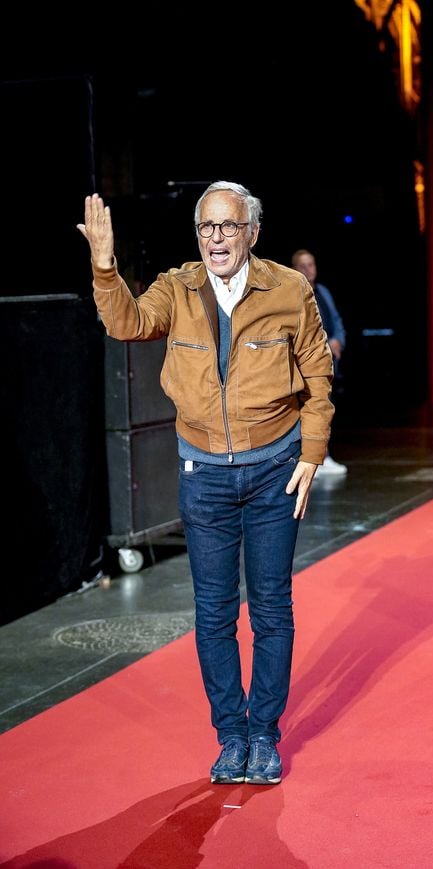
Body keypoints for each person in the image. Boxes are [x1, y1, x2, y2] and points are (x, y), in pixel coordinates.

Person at [77, 182, 334, 786]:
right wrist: (105, 268)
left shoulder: (288, 289)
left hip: (275, 471)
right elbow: (127, 322)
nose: (216, 238)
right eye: (206, 227)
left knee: (271, 608)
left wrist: (312, 452)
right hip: (204, 476)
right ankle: (231, 737)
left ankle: (264, 735)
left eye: (228, 226)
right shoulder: (177, 287)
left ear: (252, 232)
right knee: (214, 614)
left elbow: (318, 372)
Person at [291, 249, 347, 475]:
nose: (308, 270)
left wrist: (338, 341)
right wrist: (325, 342)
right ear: (294, 269)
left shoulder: (322, 291)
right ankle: (311, 459)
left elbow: (335, 320)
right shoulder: (292, 293)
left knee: (324, 408)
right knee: (308, 410)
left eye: (311, 265)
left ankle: (323, 456)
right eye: (303, 266)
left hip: (328, 363)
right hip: (306, 364)